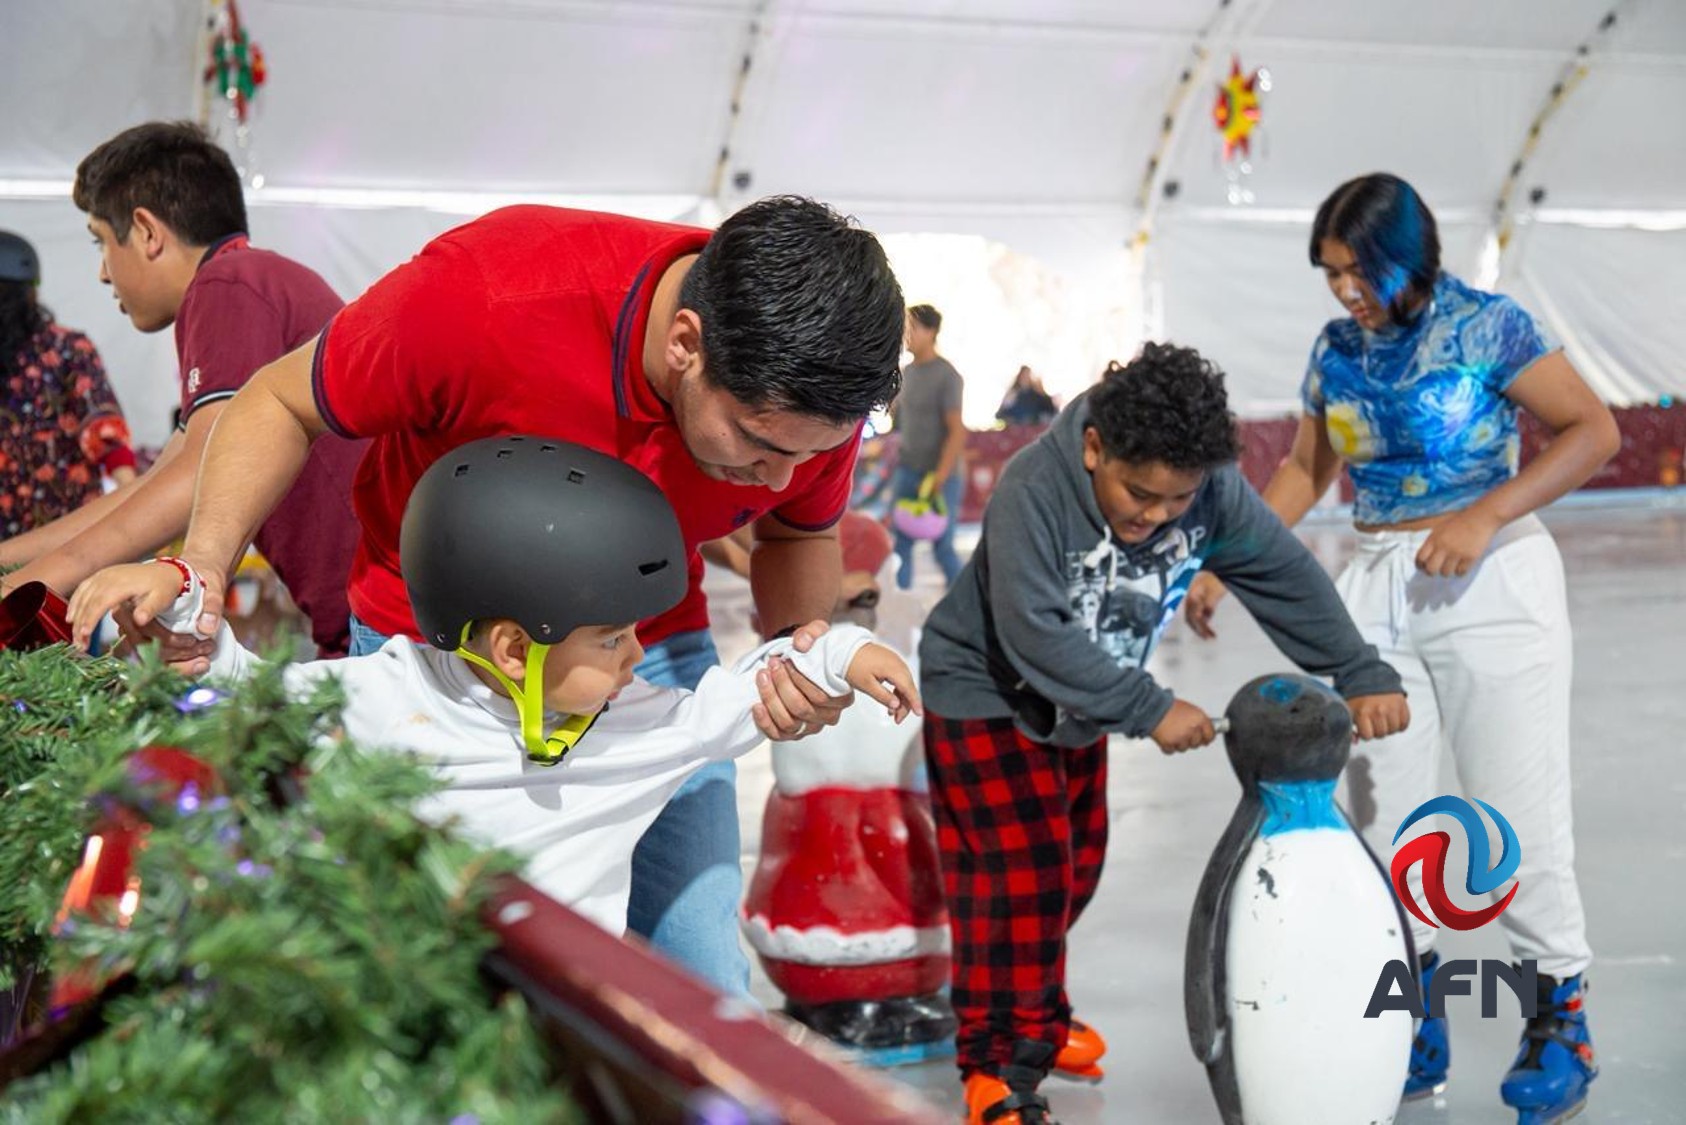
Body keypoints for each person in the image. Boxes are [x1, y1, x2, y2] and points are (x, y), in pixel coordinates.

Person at [70, 194, 906, 995]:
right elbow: (278, 402)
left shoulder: (808, 385)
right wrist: (201, 575)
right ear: (686, 342)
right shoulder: (489, 294)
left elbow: (797, 531)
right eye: (759, 444)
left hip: (639, 641)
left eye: (816, 452)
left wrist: (805, 650)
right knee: (418, 955)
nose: (783, 477)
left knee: (700, 975)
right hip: (429, 652)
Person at [71, 437, 919, 936]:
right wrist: (179, 602)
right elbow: (250, 690)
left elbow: (740, 690)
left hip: (558, 1034)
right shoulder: (385, 696)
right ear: (515, 649)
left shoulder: (639, 725)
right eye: (614, 636)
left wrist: (838, 653)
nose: (638, 659)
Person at [1182, 173, 1616, 1123]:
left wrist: (1486, 513)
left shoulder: (1489, 326)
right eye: (1330, 273)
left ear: (1406, 256)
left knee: (1511, 811)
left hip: (1492, 577)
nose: (1342, 290)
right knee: (1386, 819)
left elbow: (1594, 430)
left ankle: (1561, 1022)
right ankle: (1410, 1012)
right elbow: (1305, 468)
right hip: (1375, 589)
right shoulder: (1335, 350)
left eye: (1356, 270)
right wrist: (1228, 558)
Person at [917, 344, 1410, 1125]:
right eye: (1137, 492)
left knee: (1074, 869)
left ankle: (1033, 1004)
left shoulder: (1209, 493)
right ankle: (1000, 1061)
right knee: (1021, 882)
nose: (1153, 516)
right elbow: (1034, 632)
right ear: (1093, 448)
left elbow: (1282, 572)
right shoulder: (1033, 490)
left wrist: (1359, 668)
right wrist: (1149, 705)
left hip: (1082, 704)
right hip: (985, 691)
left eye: (1175, 501)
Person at [0, 122, 362, 656]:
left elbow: (198, 476)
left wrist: (27, 587)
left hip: (371, 614)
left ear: (146, 232)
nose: (103, 273)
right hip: (357, 611)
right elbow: (151, 489)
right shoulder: (250, 283)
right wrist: (13, 563)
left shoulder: (227, 284)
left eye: (102, 241)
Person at [0, 230, 136, 537]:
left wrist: (134, 505)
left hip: (64, 538)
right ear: (31, 292)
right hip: (66, 539)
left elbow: (104, 429)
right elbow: (104, 427)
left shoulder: (66, 349)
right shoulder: (69, 346)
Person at [889, 303, 968, 590]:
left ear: (931, 331)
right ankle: (901, 607)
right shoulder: (906, 373)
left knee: (943, 545)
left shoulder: (947, 376)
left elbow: (957, 431)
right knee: (901, 543)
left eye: (913, 328)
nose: (907, 335)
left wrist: (941, 476)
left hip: (940, 476)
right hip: (909, 469)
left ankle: (962, 606)